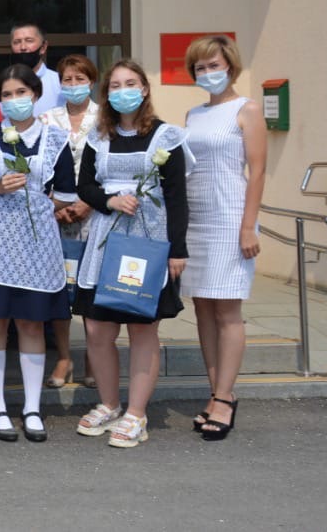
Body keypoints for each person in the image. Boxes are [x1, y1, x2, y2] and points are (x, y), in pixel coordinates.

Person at [74, 59, 189, 449]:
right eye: (115, 85)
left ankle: (137, 413)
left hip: (147, 241)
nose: (123, 91)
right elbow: (85, 187)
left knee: (142, 327)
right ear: (106, 94)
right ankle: (109, 404)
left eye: (131, 83)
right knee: (97, 328)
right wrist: (109, 201)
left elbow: (177, 197)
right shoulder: (98, 137)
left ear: (144, 89)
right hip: (105, 240)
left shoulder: (166, 136)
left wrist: (177, 250)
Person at [0, 64, 77, 442]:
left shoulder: (55, 138)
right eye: (7, 95)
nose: (14, 100)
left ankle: (32, 407)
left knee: (31, 323)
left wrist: (39, 203)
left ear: (36, 94)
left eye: (21, 93)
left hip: (38, 245)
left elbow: (66, 192)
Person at [182, 35, 266, 441]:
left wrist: (248, 226)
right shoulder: (193, 114)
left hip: (230, 216)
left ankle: (226, 398)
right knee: (202, 307)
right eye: (200, 68)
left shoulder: (247, 109)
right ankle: (215, 391)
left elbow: (258, 171)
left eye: (213, 65)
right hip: (196, 218)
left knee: (227, 310)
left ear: (229, 65)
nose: (207, 73)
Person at [40, 54, 101, 388]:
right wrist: (56, 205)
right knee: (61, 288)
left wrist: (89, 202)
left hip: (96, 215)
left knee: (91, 288)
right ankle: (64, 358)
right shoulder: (48, 118)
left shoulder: (105, 118)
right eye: (67, 79)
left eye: (80, 79)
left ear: (92, 82)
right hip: (57, 216)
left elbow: (111, 168)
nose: (74, 85)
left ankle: (94, 357)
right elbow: (41, 167)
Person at [0, 23, 64, 116]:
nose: (23, 47)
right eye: (17, 42)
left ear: (43, 47)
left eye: (29, 41)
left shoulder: (61, 83)